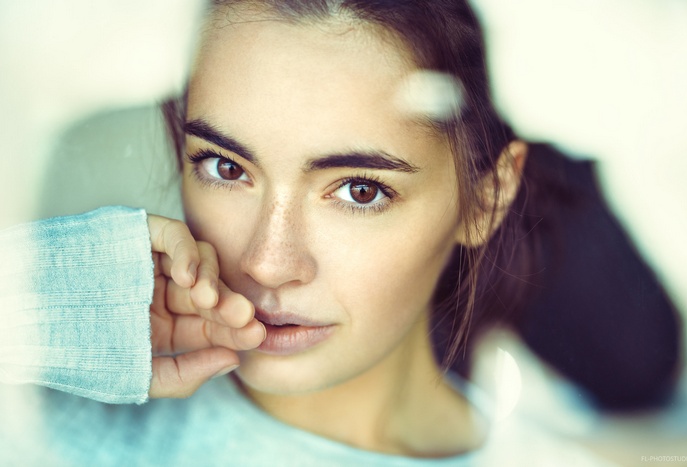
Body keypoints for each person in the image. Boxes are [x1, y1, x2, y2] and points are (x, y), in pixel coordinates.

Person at [0, 1, 629, 464]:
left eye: (360, 190)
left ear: (485, 199)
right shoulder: (53, 429)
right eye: (225, 168)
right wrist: (50, 300)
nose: (269, 264)